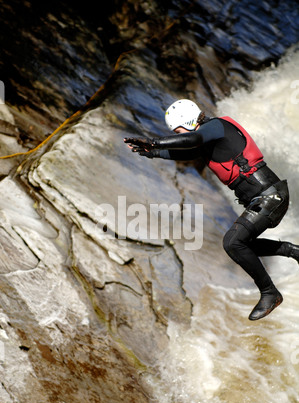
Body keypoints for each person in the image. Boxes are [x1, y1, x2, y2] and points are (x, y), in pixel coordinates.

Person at [124, 99, 299, 321]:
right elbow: (187, 151)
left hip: (270, 196)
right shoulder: (210, 141)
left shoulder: (217, 126)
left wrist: (155, 142)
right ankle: (293, 251)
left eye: (177, 129)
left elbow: (192, 139)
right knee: (242, 246)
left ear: (186, 122)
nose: (176, 133)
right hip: (265, 198)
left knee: (232, 242)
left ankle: (270, 293)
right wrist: (152, 152)